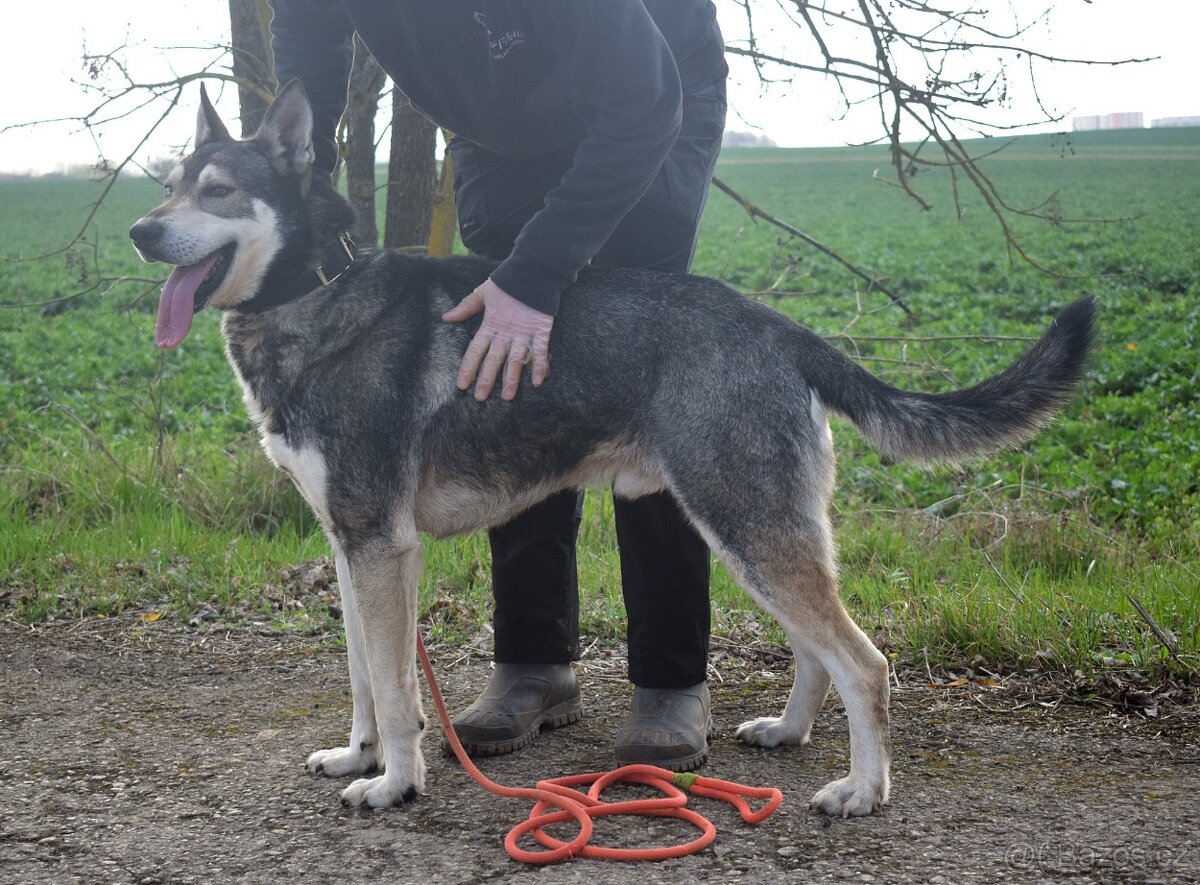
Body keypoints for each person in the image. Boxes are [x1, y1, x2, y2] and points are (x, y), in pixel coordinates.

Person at [270, 0, 728, 772]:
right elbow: (309, 49)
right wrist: (290, 177)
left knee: (641, 387)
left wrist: (539, 274)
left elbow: (644, 105)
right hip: (500, 134)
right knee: (505, 372)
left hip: (649, 103)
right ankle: (535, 660)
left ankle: (670, 677)